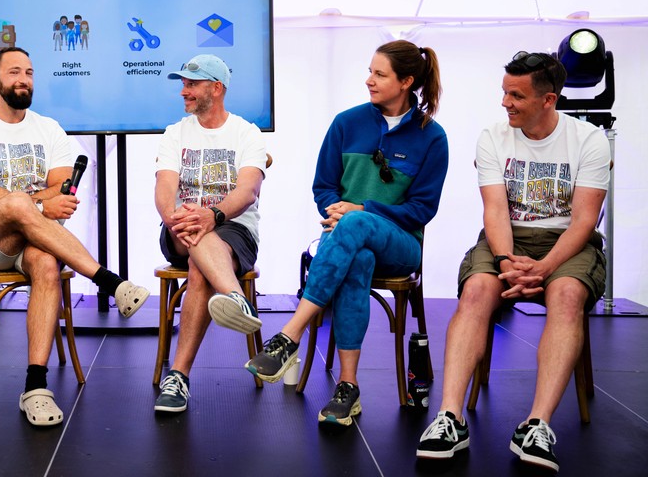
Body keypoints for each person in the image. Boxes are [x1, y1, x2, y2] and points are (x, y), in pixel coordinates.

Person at [416, 52, 609, 473]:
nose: (505, 102)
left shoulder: (589, 140)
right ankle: (449, 418)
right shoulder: (493, 137)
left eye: (516, 95)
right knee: (476, 291)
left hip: (567, 243)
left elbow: (583, 221)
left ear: (548, 99)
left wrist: (544, 268)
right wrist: (506, 262)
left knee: (567, 295)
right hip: (507, 238)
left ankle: (537, 425)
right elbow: (495, 211)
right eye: (504, 92)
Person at [245, 40, 448, 426]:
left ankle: (289, 335)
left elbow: (422, 210)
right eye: (370, 71)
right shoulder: (346, 123)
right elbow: (323, 188)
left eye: (379, 74)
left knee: (357, 225)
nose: (368, 80)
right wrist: (337, 212)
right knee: (359, 258)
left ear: (406, 81)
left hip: (402, 244)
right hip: (346, 238)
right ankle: (348, 386)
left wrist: (362, 211)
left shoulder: (432, 137)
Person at [0, 46, 148, 427]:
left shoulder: (49, 129)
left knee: (45, 263)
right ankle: (109, 281)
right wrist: (35, 206)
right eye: (14, 72)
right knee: (16, 204)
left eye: (29, 72)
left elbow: (64, 189)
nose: (23, 79)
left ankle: (35, 387)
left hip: (33, 244)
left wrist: (21, 206)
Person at [153, 54, 267, 414]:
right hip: (180, 226)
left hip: (234, 228)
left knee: (199, 268)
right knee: (196, 233)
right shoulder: (175, 133)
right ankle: (235, 297)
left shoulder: (247, 133)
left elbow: (248, 191)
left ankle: (178, 377)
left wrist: (212, 215)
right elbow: (164, 187)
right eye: (183, 84)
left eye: (192, 84)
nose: (183, 91)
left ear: (216, 89)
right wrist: (175, 218)